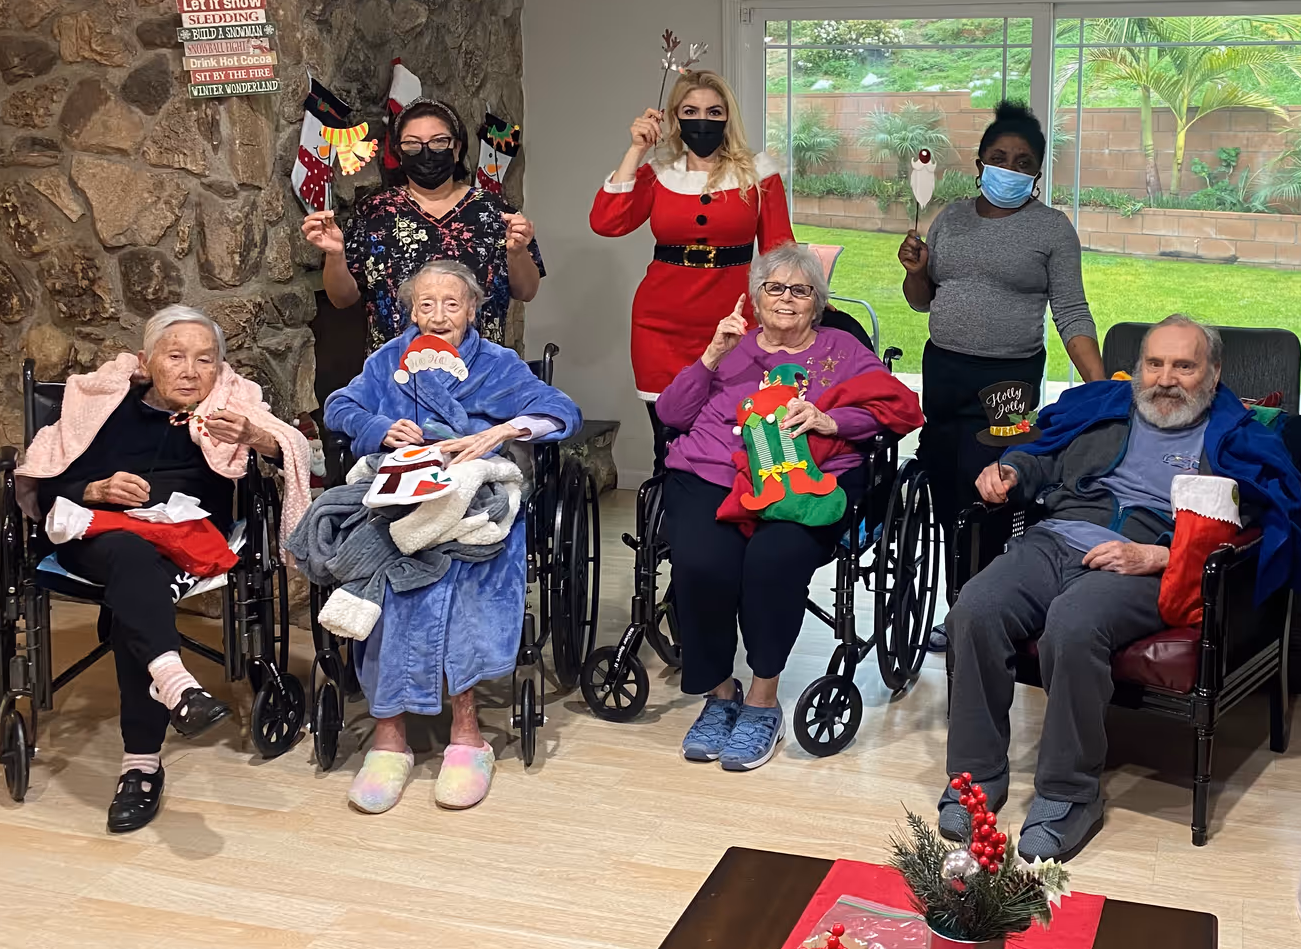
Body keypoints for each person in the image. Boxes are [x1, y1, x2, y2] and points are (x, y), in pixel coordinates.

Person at [936, 314, 1301, 861]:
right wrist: (1013, 471)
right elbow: (1042, 449)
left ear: (1213, 372)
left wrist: (1161, 556)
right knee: (975, 607)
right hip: (1056, 538)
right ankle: (976, 778)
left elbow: (1257, 521)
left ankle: (1070, 796)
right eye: (1155, 363)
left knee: (1074, 622)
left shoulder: (1238, 439)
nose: (1166, 378)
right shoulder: (1102, 410)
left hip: (1148, 561)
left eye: (1184, 365)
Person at [17, 306, 311, 834]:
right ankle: (161, 714)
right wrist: (96, 490)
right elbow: (49, 481)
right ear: (147, 362)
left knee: (138, 588)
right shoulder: (104, 411)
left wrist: (253, 436)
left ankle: (150, 740)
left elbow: (288, 449)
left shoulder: (227, 411)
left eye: (205, 359)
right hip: (98, 535)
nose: (191, 370)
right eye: (175, 356)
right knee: (133, 559)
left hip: (190, 540)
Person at [305, 260, 581, 814]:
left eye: (451, 304)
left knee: (462, 573)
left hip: (473, 502)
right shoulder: (388, 361)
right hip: (399, 497)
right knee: (386, 568)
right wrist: (380, 428)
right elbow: (339, 405)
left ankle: (466, 731)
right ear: (410, 311)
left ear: (474, 310)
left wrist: (504, 430)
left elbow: (561, 413)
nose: (438, 316)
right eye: (425, 305)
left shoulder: (498, 364)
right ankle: (389, 738)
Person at [653, 243, 920, 772]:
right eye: (775, 288)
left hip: (800, 486)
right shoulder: (731, 345)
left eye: (800, 291)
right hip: (712, 475)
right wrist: (710, 356)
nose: (786, 299)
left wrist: (831, 422)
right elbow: (671, 413)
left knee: (772, 562)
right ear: (756, 297)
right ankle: (720, 692)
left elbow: (893, 410)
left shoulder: (842, 351)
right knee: (702, 561)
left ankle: (762, 699)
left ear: (816, 302)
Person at [897, 101, 1103, 640]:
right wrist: (917, 271)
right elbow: (922, 300)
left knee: (986, 487)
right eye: (998, 157)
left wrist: (1102, 389)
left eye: (1022, 161)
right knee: (944, 485)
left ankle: (978, 610)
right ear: (980, 163)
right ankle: (955, 602)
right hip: (944, 371)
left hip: (1009, 381)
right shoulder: (950, 219)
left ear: (1036, 173)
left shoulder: (1052, 230)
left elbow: (1072, 311)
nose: (1008, 168)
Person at [591, 69, 794, 444]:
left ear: (728, 117)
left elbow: (779, 251)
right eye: (691, 111)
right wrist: (636, 149)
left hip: (736, 327)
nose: (703, 121)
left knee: (735, 442)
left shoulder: (759, 175)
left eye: (714, 112)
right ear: (674, 118)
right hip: (660, 328)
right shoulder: (656, 175)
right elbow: (607, 223)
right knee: (667, 445)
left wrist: (796, 305)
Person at [301, 99, 544, 353]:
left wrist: (517, 253)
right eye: (412, 144)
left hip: (479, 376)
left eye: (439, 141)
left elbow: (526, 291)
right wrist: (335, 255)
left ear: (457, 147)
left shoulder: (495, 212)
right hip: (396, 375)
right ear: (399, 151)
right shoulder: (373, 213)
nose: (426, 151)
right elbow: (342, 299)